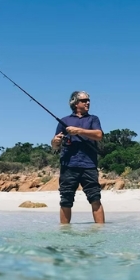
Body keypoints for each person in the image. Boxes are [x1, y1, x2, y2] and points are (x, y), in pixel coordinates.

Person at [51, 90, 105, 224]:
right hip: (68, 166)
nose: (88, 102)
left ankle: (101, 233)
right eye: (84, 100)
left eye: (88, 100)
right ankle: (64, 233)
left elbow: (99, 135)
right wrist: (55, 142)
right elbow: (55, 145)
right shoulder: (64, 121)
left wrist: (79, 131)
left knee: (95, 198)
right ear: (75, 103)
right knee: (66, 199)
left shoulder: (93, 119)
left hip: (89, 165)